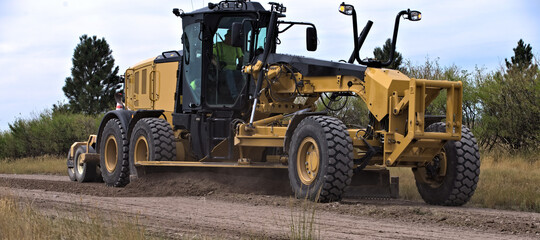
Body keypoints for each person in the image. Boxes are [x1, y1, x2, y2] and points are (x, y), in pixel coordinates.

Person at [213, 29, 243, 99]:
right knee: (229, 72)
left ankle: (242, 94)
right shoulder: (218, 46)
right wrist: (217, 66)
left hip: (234, 71)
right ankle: (235, 95)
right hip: (221, 72)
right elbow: (212, 57)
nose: (231, 39)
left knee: (242, 74)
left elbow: (241, 59)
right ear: (226, 36)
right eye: (229, 37)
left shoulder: (236, 47)